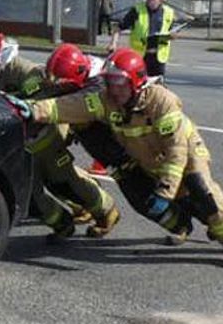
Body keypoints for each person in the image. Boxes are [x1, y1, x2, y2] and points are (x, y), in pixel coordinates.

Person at [14, 48, 223, 265]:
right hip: (150, 158)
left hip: (187, 153)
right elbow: (67, 107)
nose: (113, 89)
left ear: (136, 82)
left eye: (119, 83)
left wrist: (165, 191)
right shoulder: (106, 100)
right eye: (110, 82)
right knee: (182, 202)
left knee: (202, 193)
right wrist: (33, 110)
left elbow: (176, 150)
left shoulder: (160, 101)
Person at [0, 26, 119, 241]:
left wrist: (17, 103)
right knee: (33, 190)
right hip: (23, 140)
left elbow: (47, 99)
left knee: (63, 180)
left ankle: (106, 212)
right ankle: (63, 223)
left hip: (45, 137)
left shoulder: (23, 71)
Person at [44, 43, 195, 245]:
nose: (58, 88)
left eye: (63, 84)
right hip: (116, 160)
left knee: (182, 191)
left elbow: (80, 108)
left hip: (135, 154)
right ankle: (181, 226)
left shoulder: (102, 88)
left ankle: (216, 225)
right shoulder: (91, 82)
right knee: (143, 202)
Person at [110, 0, 184, 78]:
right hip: (140, 57)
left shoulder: (168, 12)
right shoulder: (137, 10)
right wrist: (113, 44)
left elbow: (174, 30)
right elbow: (118, 27)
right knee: (139, 86)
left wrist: (173, 35)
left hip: (159, 58)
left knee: (157, 88)